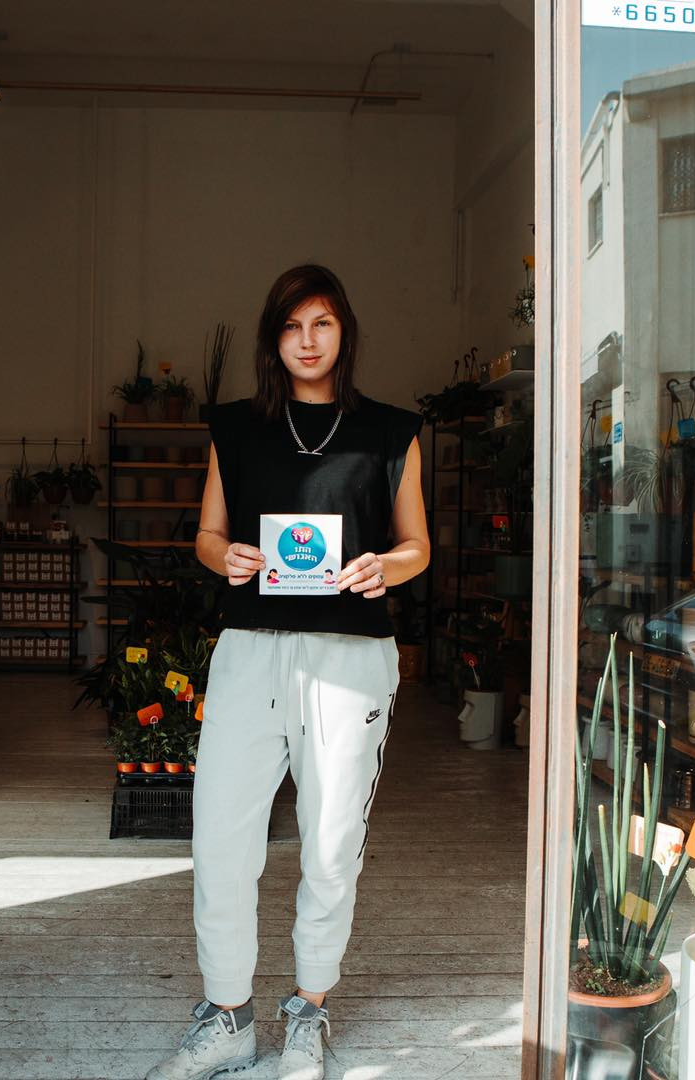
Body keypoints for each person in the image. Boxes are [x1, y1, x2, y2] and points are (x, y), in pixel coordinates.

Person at [147, 265, 430, 1080]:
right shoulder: (236, 429)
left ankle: (308, 1012)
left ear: (345, 332)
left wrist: (386, 568)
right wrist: (226, 556)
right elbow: (207, 535)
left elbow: (417, 545)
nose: (308, 342)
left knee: (332, 843)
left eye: (322, 324)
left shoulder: (391, 432)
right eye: (292, 327)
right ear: (274, 339)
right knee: (220, 838)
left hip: (350, 657)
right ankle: (228, 1017)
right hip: (251, 648)